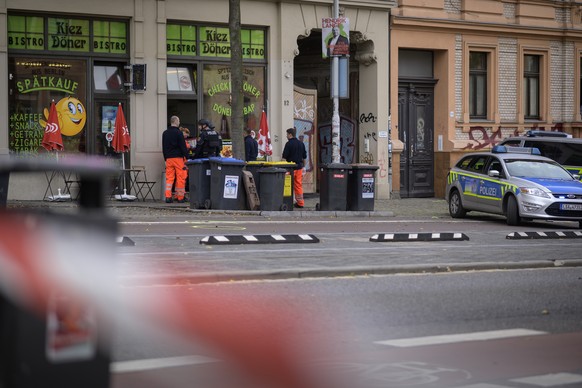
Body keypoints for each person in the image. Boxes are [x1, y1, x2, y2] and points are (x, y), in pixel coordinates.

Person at [162, 115, 189, 203]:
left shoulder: (165, 133)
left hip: (169, 158)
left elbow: (164, 147)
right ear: (176, 122)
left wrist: (165, 159)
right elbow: (182, 146)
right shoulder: (178, 133)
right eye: (179, 121)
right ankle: (180, 197)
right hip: (178, 158)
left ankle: (168, 197)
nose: (179, 122)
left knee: (169, 178)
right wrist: (187, 157)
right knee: (180, 177)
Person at [282, 127, 307, 208]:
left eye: (287, 134)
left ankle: (287, 202)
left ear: (290, 134)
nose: (286, 136)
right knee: (298, 185)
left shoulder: (288, 144)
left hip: (289, 169)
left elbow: (284, 158)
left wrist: (282, 167)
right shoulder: (301, 144)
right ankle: (300, 203)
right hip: (299, 168)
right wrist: (303, 167)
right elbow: (304, 157)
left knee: (287, 185)